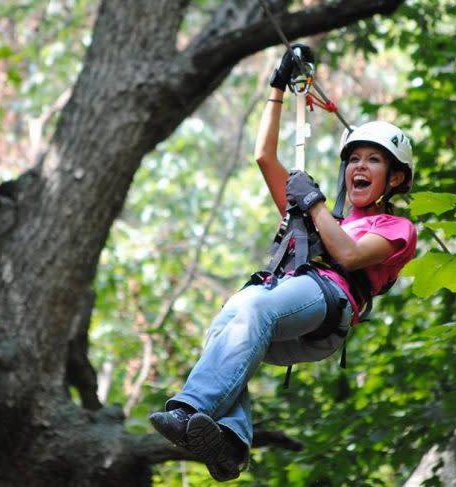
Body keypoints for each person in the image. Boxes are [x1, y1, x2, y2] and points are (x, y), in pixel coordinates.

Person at [149, 45, 417, 483]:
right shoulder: (322, 217)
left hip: (330, 302)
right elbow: (264, 158)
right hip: (295, 318)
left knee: (251, 305)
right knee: (229, 323)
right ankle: (232, 443)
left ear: (396, 177)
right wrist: (277, 88)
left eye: (373, 159)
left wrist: (312, 204)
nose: (358, 167)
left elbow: (348, 256)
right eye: (353, 158)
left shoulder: (396, 227)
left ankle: (191, 407)